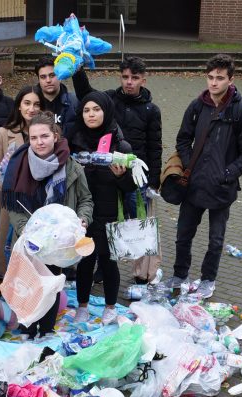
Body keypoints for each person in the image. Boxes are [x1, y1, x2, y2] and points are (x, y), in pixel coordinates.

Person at [165, 54, 242, 299]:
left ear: (231, 79)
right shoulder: (197, 106)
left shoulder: (241, 112)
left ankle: (208, 280)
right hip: (194, 184)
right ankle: (179, 275)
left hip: (221, 187)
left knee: (216, 240)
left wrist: (227, 173)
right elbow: (183, 139)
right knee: (183, 234)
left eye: (219, 78)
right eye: (210, 77)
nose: (214, 83)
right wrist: (189, 165)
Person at [2, 112, 93, 338]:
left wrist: (83, 219)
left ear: (55, 136)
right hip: (29, 241)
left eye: (44, 136)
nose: (39, 142)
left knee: (51, 286)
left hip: (57, 243)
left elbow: (86, 199)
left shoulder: (72, 166)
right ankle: (27, 330)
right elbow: (13, 206)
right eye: (33, 138)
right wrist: (28, 231)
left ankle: (47, 331)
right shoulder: (18, 165)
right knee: (28, 285)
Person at [74, 56, 163, 284]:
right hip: (109, 173)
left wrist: (153, 181)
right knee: (108, 222)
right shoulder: (110, 99)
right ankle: (103, 267)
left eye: (134, 78)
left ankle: (142, 272)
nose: (129, 82)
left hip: (135, 175)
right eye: (125, 77)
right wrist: (77, 67)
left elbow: (155, 146)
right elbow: (86, 94)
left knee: (137, 225)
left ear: (143, 79)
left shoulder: (151, 110)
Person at [68, 92, 138, 325]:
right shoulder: (74, 140)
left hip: (110, 213)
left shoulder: (121, 144)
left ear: (106, 112)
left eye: (96, 109)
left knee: (109, 262)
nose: (91, 114)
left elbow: (131, 187)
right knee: (85, 261)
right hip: (83, 213)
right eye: (87, 110)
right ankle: (83, 306)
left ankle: (110, 306)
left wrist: (120, 176)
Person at [0, 86, 41, 276]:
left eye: (36, 104)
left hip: (38, 203)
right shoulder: (4, 133)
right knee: (8, 247)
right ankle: (7, 284)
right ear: (19, 106)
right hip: (10, 203)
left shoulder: (46, 135)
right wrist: (9, 189)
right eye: (27, 103)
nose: (31, 109)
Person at [34, 57, 79, 135]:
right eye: (43, 77)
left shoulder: (74, 102)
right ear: (39, 79)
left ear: (60, 76)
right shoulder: (31, 104)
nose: (48, 80)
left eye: (52, 75)